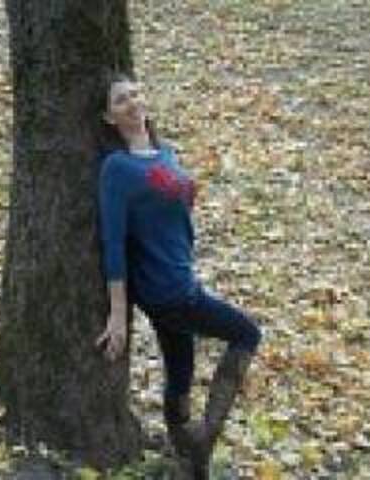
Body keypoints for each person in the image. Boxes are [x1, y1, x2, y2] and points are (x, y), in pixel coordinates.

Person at [95, 72, 262, 479]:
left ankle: (187, 460)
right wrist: (117, 313)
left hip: (180, 277)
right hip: (166, 289)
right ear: (109, 117)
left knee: (180, 374)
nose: (132, 102)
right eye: (121, 100)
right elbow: (113, 241)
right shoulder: (117, 168)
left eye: (135, 94)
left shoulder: (165, 153)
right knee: (246, 334)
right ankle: (203, 440)